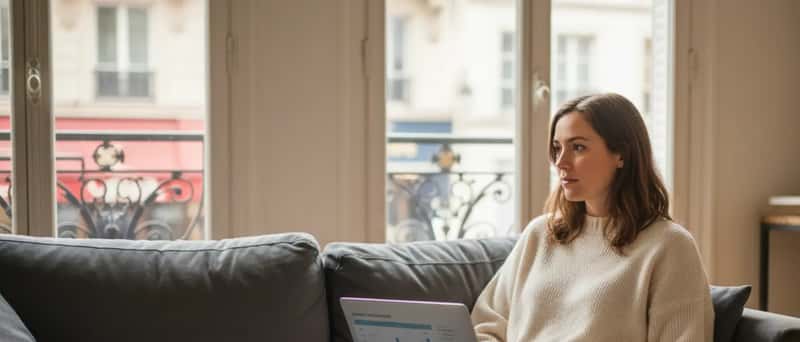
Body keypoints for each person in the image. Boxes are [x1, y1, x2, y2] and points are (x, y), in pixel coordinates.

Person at [471, 93, 713, 341]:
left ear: (621, 154)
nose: (561, 162)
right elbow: (485, 325)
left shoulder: (670, 246)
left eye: (578, 147)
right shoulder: (540, 233)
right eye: (557, 148)